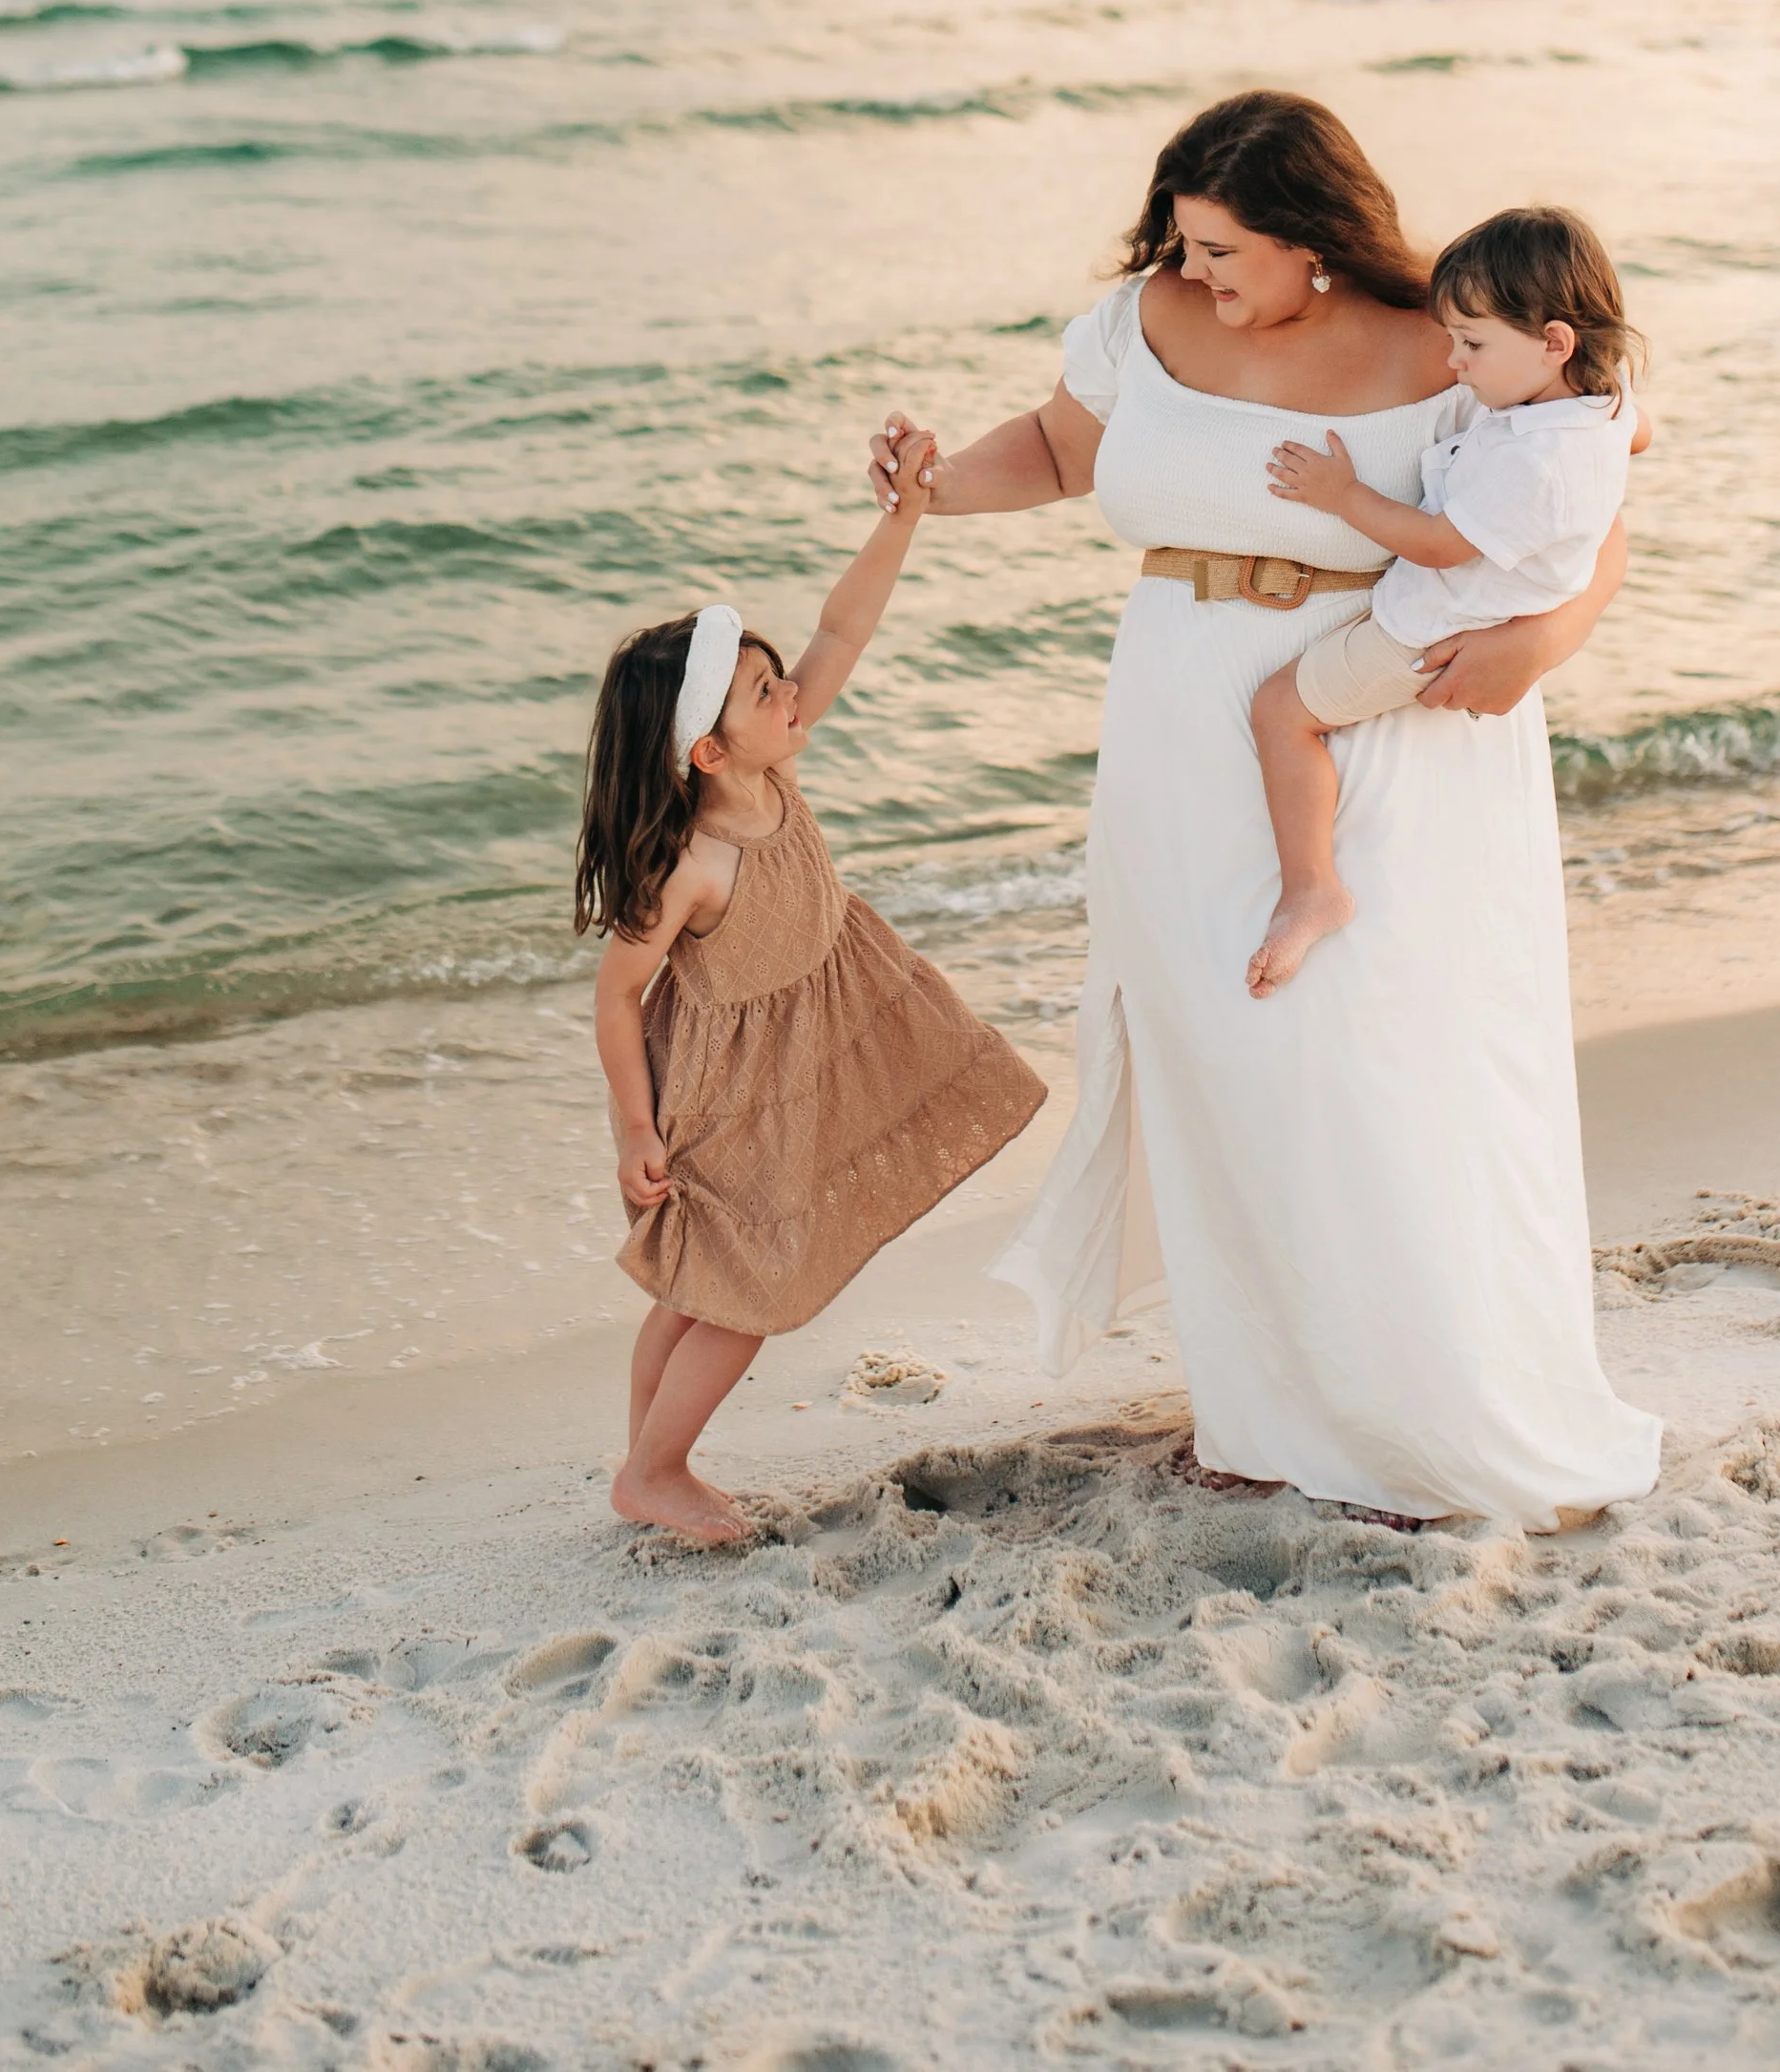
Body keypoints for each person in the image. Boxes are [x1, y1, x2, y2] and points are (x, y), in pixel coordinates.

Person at [869, 89, 1660, 1533]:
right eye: (1180, 243)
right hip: (1183, 725)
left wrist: (1546, 639)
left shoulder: (1454, 330)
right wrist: (928, 487)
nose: (1194, 275)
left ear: (1313, 243)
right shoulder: (1149, 320)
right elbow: (1056, 453)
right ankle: (1264, 1415)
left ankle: (1422, 1409)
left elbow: (1594, 498)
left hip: (1400, 730)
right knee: (1227, 1063)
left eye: (1222, 248)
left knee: (1376, 1069)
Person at [576, 441, 1046, 1545]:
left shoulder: (774, 761)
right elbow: (614, 998)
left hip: (816, 1038)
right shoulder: (692, 862)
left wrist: (904, 517)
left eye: (776, 674)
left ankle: (648, 1467)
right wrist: (633, 1128)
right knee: (748, 1290)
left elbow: (842, 629)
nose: (791, 689)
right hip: (733, 1093)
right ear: (705, 748)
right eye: (762, 688)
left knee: (699, 1291)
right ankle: (657, 1469)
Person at [1245, 204, 1644, 997]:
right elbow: (1640, 433)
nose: (1455, 363)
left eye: (1473, 344)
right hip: (1459, 609)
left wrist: (1341, 493)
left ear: (1555, 343)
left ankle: (1311, 888)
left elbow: (1434, 544)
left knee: (1280, 713)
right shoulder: (1599, 405)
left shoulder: (1537, 463)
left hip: (1423, 633)